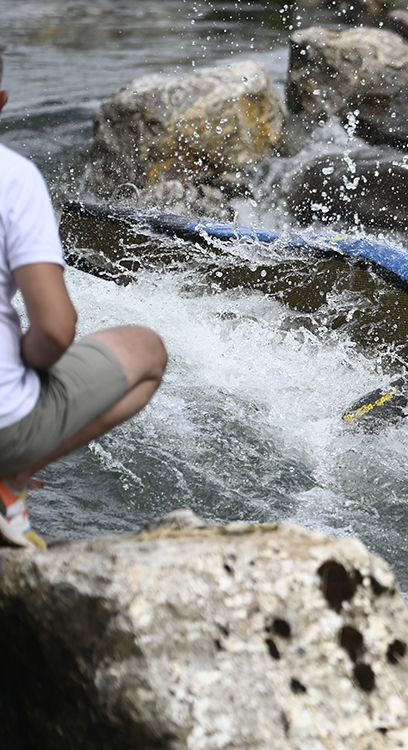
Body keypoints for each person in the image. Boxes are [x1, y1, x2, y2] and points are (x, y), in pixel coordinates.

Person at [0, 47, 168, 548]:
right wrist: (27, 361)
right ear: (2, 101)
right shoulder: (13, 178)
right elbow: (54, 330)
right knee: (147, 350)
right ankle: (10, 480)